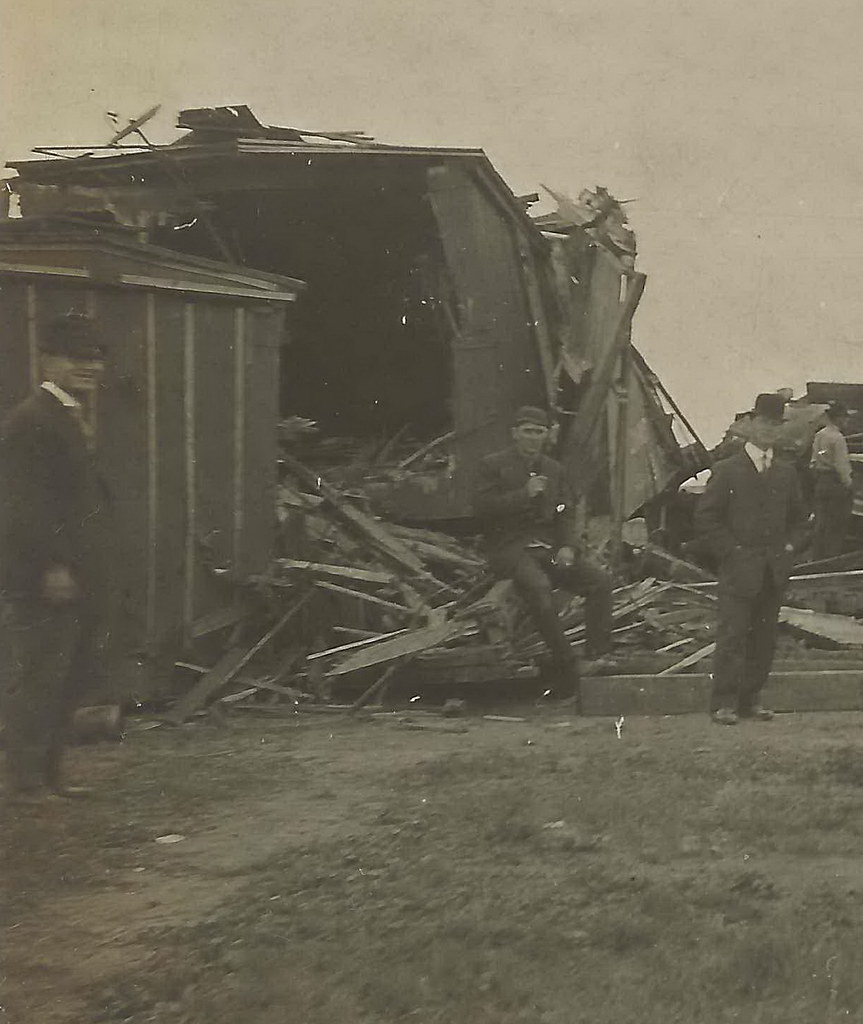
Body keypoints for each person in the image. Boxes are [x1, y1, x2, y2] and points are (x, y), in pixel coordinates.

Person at [0, 313, 110, 801]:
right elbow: (24, 505)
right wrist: (52, 565)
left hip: (76, 569)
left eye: (96, 357)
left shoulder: (67, 414)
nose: (90, 366)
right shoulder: (33, 420)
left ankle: (50, 775)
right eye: (77, 357)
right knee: (41, 674)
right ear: (48, 360)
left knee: (65, 672)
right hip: (45, 574)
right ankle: (27, 780)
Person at [473, 405, 613, 703]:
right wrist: (524, 494)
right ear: (514, 434)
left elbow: (564, 512)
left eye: (539, 432)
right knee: (539, 587)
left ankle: (596, 656)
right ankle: (567, 663)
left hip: (546, 550)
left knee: (598, 581)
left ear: (547, 435)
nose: (533, 438)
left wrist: (567, 547)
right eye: (527, 431)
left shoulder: (554, 469)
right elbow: (482, 510)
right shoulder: (492, 465)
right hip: (509, 549)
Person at [695, 393, 806, 725]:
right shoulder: (728, 470)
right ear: (750, 424)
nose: (770, 430)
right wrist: (730, 551)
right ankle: (723, 703)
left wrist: (790, 547)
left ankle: (751, 700)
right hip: (738, 569)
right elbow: (706, 517)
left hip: (773, 570)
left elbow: (801, 520)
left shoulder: (786, 472)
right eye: (765, 422)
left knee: (764, 639)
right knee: (732, 635)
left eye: (776, 424)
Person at [809, 401, 854, 561]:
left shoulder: (820, 435)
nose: (847, 422)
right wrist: (849, 485)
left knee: (821, 523)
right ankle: (831, 559)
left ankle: (816, 558)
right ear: (840, 419)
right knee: (836, 525)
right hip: (836, 484)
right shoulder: (838, 438)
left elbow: (813, 461)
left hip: (821, 481)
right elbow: (841, 465)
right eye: (846, 419)